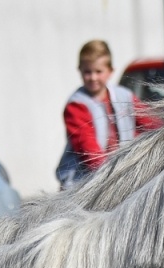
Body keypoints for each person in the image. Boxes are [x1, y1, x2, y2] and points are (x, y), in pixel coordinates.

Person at [57, 39, 158, 188]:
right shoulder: (76, 105)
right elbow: (88, 149)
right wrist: (112, 176)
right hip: (83, 182)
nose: (93, 77)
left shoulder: (125, 96)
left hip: (119, 175)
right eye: (87, 72)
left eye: (98, 71)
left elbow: (151, 123)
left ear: (111, 71)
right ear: (80, 70)